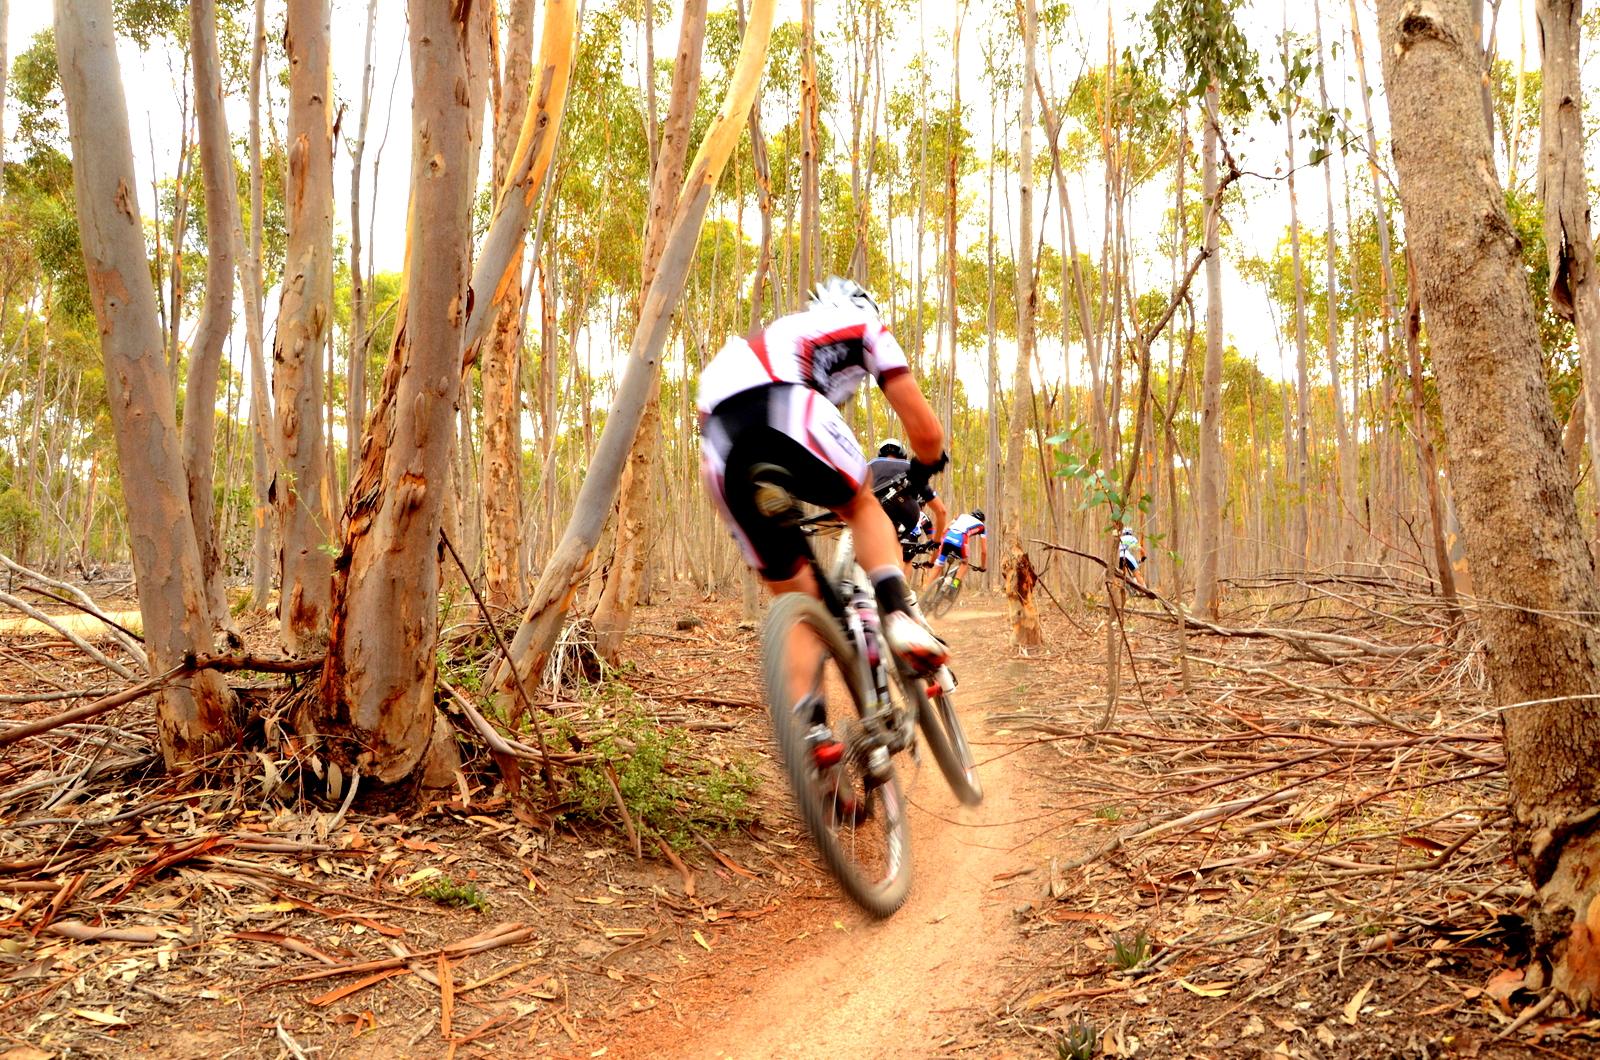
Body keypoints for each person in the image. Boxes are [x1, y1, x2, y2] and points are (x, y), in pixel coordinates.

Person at [697, 276, 949, 677]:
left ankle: (810, 727)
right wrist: (926, 464)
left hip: (719, 451)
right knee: (861, 504)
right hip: (787, 411)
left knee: (806, 606)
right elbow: (928, 434)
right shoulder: (865, 326)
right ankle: (901, 618)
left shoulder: (773, 337)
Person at [867, 438, 947, 570]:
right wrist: (936, 542)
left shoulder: (870, 465)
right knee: (896, 544)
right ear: (903, 455)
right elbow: (941, 512)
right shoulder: (911, 468)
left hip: (873, 510)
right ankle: (897, 583)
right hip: (906, 513)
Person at [928, 507, 987, 591]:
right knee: (964, 563)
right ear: (982, 520)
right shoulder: (982, 526)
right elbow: (984, 551)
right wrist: (983, 567)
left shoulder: (961, 516)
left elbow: (945, 529)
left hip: (948, 537)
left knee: (938, 564)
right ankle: (954, 585)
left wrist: (941, 542)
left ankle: (925, 590)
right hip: (961, 539)